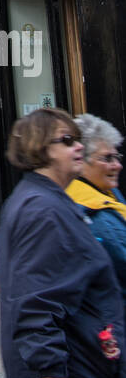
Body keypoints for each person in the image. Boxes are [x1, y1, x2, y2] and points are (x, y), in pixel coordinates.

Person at [0, 109, 126, 378]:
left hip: (80, 370)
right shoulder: (44, 210)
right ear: (42, 148)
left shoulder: (45, 199)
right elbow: (35, 298)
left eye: (77, 139)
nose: (78, 146)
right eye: (66, 140)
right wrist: (50, 369)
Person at [67, 114, 126, 298]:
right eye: (107, 158)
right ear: (81, 161)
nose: (117, 165)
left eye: (117, 156)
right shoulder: (92, 213)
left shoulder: (106, 191)